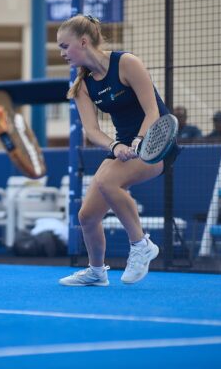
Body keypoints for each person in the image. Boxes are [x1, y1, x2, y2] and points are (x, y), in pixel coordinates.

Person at [55, 14, 179, 287]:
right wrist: (116, 146)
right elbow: (91, 131)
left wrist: (139, 141)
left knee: (108, 181)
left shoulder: (126, 63)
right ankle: (96, 272)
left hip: (157, 144)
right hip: (124, 147)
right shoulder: (82, 85)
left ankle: (141, 245)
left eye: (65, 46)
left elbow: (153, 112)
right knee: (87, 216)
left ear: (83, 42)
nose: (62, 53)